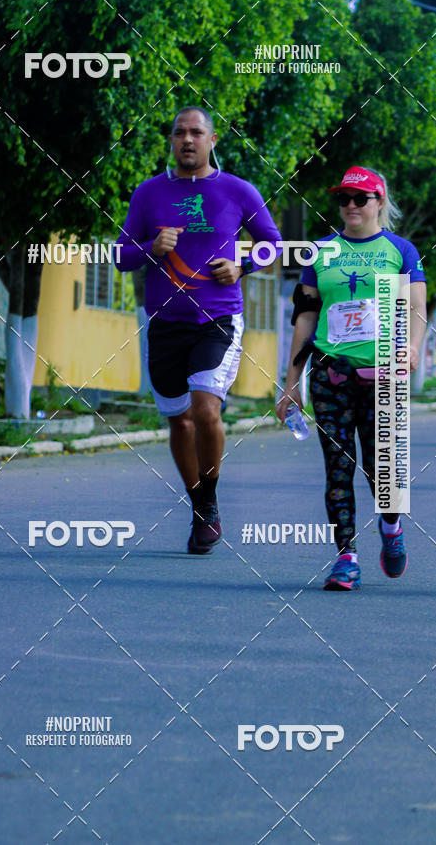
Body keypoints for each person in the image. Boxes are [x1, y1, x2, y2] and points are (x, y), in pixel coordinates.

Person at [115, 106, 281, 554]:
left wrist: (242, 265)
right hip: (165, 323)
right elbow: (120, 255)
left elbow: (274, 245)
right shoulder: (149, 193)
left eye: (196, 132)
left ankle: (208, 499)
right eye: (179, 133)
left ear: (212, 140)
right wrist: (152, 247)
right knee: (179, 420)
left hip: (218, 319)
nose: (187, 140)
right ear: (171, 140)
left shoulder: (238, 190)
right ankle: (200, 507)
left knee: (206, 408)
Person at [276, 166, 427, 590]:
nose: (350, 206)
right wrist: (292, 382)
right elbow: (304, 319)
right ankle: (346, 558)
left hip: (383, 375)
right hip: (331, 374)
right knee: (337, 469)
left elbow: (416, 307)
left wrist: (413, 347)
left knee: (384, 472)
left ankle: (391, 527)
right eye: (344, 199)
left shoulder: (400, 250)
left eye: (360, 198)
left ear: (379, 201)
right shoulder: (321, 252)